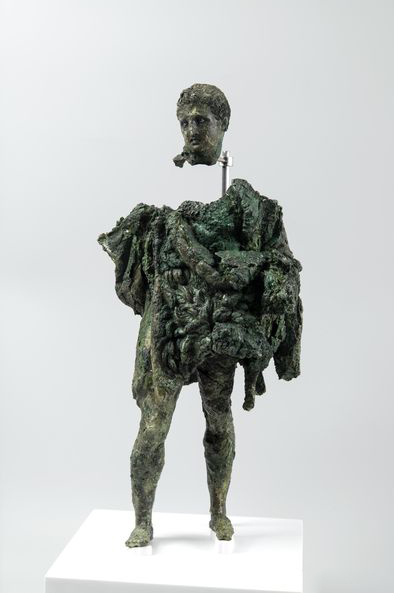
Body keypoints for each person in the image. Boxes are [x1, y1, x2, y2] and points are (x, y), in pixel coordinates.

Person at [98, 84, 303, 547]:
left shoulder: (249, 206)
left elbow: (282, 263)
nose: (192, 130)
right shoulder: (161, 216)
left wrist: (253, 270)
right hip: (170, 327)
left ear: (223, 124)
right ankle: (143, 520)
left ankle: (219, 512)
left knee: (219, 418)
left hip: (221, 329)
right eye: (185, 122)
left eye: (202, 121)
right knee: (153, 426)